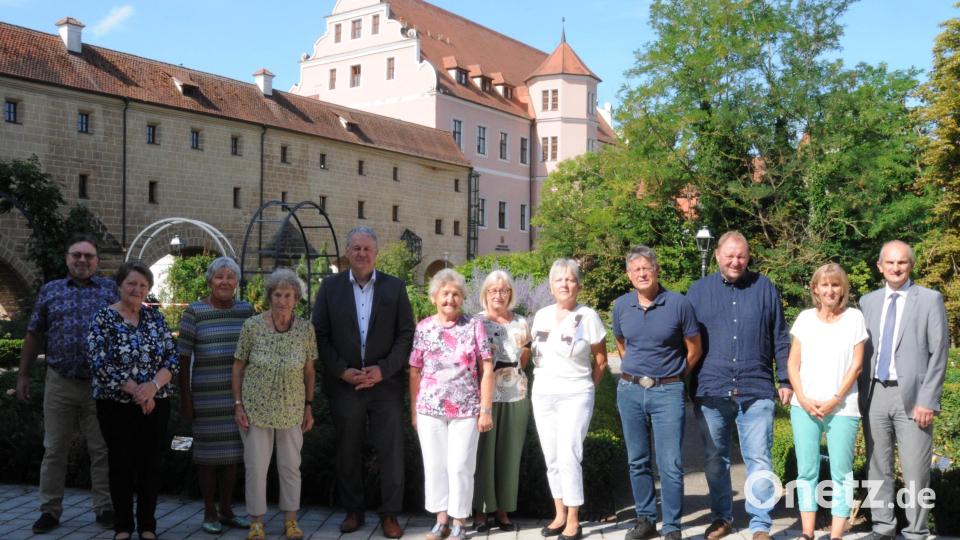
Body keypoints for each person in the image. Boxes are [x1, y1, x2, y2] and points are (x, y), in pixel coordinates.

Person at [685, 231, 792, 540]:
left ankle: (760, 523)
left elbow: (780, 336)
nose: (735, 261)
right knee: (715, 458)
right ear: (717, 255)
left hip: (755, 387)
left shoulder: (764, 287)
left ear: (748, 257)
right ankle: (722, 517)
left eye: (741, 256)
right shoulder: (698, 291)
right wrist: (679, 381)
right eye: (729, 255)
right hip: (711, 388)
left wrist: (784, 378)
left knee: (759, 458)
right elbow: (685, 340)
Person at [312, 227, 414, 538]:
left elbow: (406, 334)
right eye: (356, 248)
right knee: (348, 450)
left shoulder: (395, 288)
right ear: (347, 252)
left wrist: (383, 370)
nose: (361, 254)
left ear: (376, 253)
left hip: (386, 385)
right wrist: (342, 370)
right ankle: (354, 511)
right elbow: (320, 335)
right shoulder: (329, 288)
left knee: (391, 452)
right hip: (346, 384)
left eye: (367, 248)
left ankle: (390, 514)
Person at [16, 234, 116, 534]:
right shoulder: (51, 290)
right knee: (55, 449)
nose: (82, 260)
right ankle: (50, 510)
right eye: (77, 255)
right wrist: (22, 375)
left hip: (100, 385)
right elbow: (34, 334)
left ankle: (105, 507)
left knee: (101, 449)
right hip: (59, 381)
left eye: (88, 256)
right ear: (67, 258)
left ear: (97, 261)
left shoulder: (111, 290)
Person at [858, 240, 948, 540]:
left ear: (911, 265)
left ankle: (915, 531)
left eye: (902, 262)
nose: (896, 268)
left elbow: (939, 353)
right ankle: (882, 527)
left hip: (914, 398)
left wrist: (928, 399)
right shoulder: (867, 302)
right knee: (877, 465)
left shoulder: (930, 299)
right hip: (874, 394)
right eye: (890, 263)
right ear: (880, 266)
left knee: (915, 470)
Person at [613, 246, 701, 540]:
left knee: (670, 463)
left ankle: (673, 526)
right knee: (637, 460)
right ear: (629, 275)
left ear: (656, 269)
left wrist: (674, 377)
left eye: (646, 268)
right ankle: (646, 520)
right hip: (630, 391)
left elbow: (694, 348)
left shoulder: (678, 304)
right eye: (636, 269)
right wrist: (636, 373)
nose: (642, 273)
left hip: (668, 392)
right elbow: (622, 344)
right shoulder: (622, 306)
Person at [86, 261, 179, 540]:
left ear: (148, 289)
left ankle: (148, 526)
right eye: (131, 283)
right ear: (119, 286)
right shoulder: (103, 318)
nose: (137, 289)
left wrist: (151, 388)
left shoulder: (155, 318)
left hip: (156, 403)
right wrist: (137, 391)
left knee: (151, 464)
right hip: (116, 405)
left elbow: (172, 358)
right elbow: (98, 362)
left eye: (143, 285)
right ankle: (123, 526)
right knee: (121, 464)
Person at [409, 269, 494, 540]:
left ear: (462, 298)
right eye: (445, 293)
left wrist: (486, 409)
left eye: (456, 294)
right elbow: (414, 371)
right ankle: (441, 520)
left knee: (460, 466)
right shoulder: (423, 327)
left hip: (467, 409)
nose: (450, 298)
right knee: (435, 465)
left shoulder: (474, 326)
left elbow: (487, 368)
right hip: (429, 409)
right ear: (434, 297)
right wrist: (413, 410)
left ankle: (459, 521)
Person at [233, 268, 317, 540]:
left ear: (296, 298)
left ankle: (290, 521)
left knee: (291, 466)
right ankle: (256, 522)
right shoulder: (252, 326)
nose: (282, 300)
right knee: (256, 468)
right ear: (270, 296)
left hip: (292, 409)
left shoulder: (305, 329)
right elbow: (238, 367)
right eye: (278, 294)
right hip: (256, 409)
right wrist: (238, 404)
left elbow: (309, 371)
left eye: (288, 295)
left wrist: (308, 406)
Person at [787, 263, 867, 540]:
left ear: (843, 289)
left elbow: (856, 366)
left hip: (843, 408)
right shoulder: (805, 319)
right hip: (804, 407)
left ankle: (836, 535)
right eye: (824, 285)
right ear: (815, 289)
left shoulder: (855, 318)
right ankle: (807, 533)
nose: (830, 290)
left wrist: (834, 400)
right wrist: (804, 398)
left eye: (835, 285)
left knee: (841, 473)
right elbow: (792, 365)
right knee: (807, 471)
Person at [530, 259, 607, 540]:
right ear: (551, 286)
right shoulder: (541, 315)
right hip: (543, 394)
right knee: (552, 457)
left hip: (575, 393)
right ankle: (559, 513)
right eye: (559, 280)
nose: (564, 284)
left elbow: (601, 360)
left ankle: (574, 519)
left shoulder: (588, 316)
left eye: (570, 279)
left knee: (568, 455)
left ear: (578, 285)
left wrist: (588, 387)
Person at [177, 257, 254, 534]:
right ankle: (209, 510)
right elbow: (183, 358)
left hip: (237, 398)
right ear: (210, 281)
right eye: (219, 277)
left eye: (230, 277)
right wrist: (185, 399)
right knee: (208, 457)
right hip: (206, 396)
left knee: (234, 455)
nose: (224, 282)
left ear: (237, 282)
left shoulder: (246, 311)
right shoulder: (194, 312)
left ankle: (227, 509)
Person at [472, 270, 532, 532]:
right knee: (483, 454)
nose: (499, 294)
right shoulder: (475, 322)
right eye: (493, 290)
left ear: (511, 294)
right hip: (485, 397)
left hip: (515, 395)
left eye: (504, 290)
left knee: (509, 454)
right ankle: (482, 510)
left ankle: (503, 510)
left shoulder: (521, 321)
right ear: (485, 294)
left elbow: (528, 350)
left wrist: (523, 355)